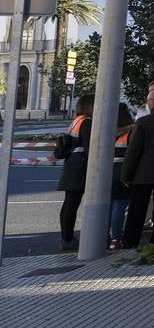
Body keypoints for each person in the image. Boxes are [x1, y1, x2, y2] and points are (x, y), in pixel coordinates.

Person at [121, 83, 154, 248]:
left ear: (152, 103)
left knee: (137, 211)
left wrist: (126, 174)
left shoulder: (143, 122)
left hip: (142, 174)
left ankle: (130, 241)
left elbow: (134, 151)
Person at [56, 94, 95, 251]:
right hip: (79, 167)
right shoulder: (86, 122)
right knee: (72, 204)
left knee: (69, 203)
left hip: (71, 165)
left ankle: (66, 237)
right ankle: (68, 239)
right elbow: (89, 147)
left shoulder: (76, 121)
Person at [107, 103, 136, 250]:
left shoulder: (105, 129)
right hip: (121, 169)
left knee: (108, 205)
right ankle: (117, 238)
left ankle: (104, 235)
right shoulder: (130, 131)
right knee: (120, 204)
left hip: (106, 171)